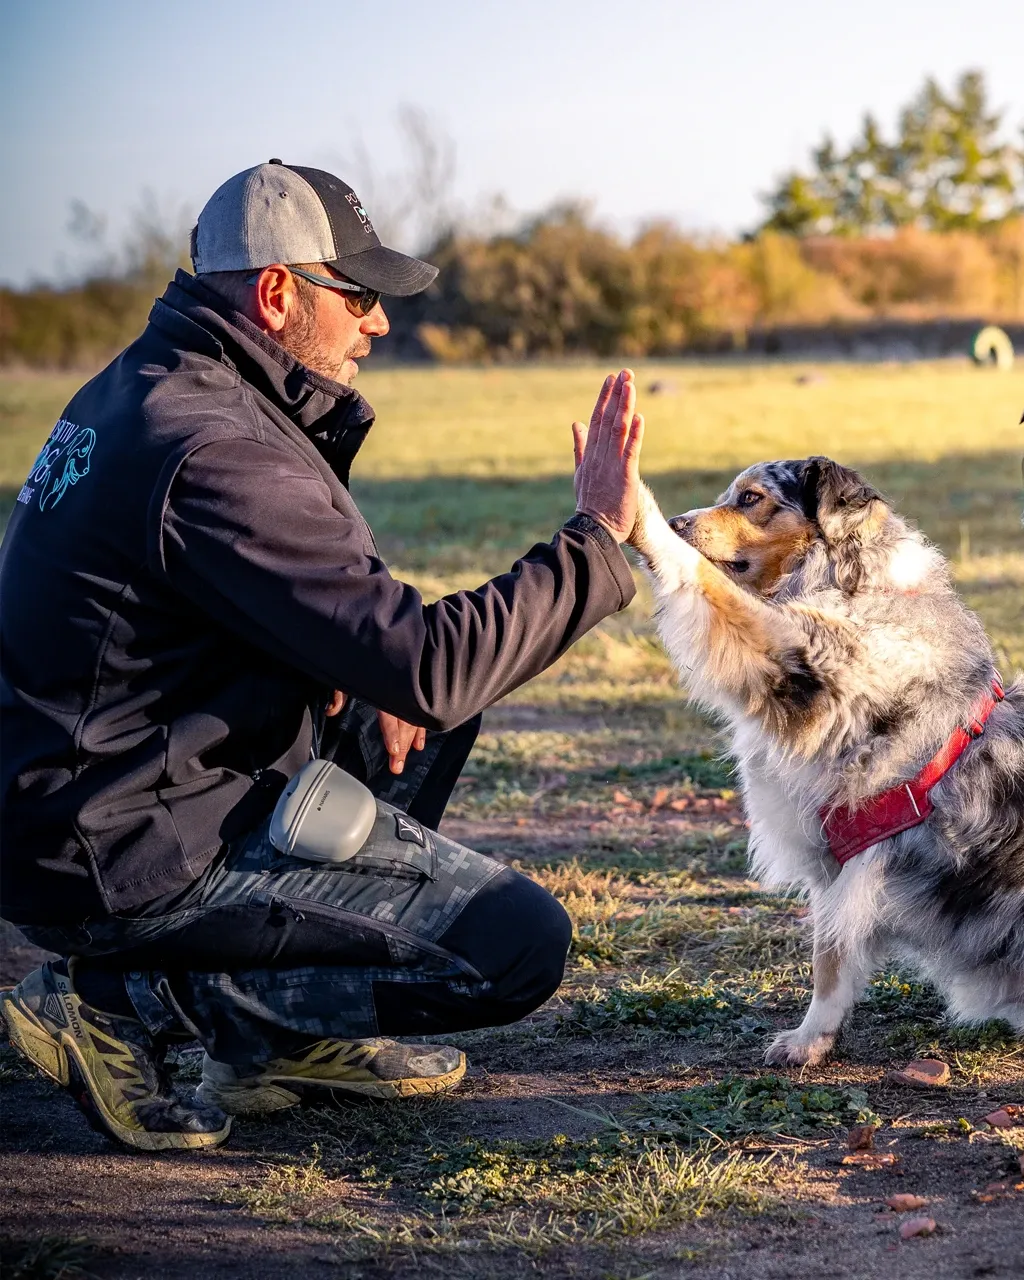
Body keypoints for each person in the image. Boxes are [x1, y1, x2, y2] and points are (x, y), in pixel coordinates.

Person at [0, 161, 645, 1151]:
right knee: (513, 948)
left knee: (420, 709)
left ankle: (280, 1017)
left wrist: (362, 663)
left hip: (108, 790)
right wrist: (597, 537)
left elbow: (291, 607)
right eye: (358, 296)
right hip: (120, 843)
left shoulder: (162, 383)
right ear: (275, 292)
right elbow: (432, 663)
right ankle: (131, 997)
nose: (376, 324)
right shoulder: (211, 443)